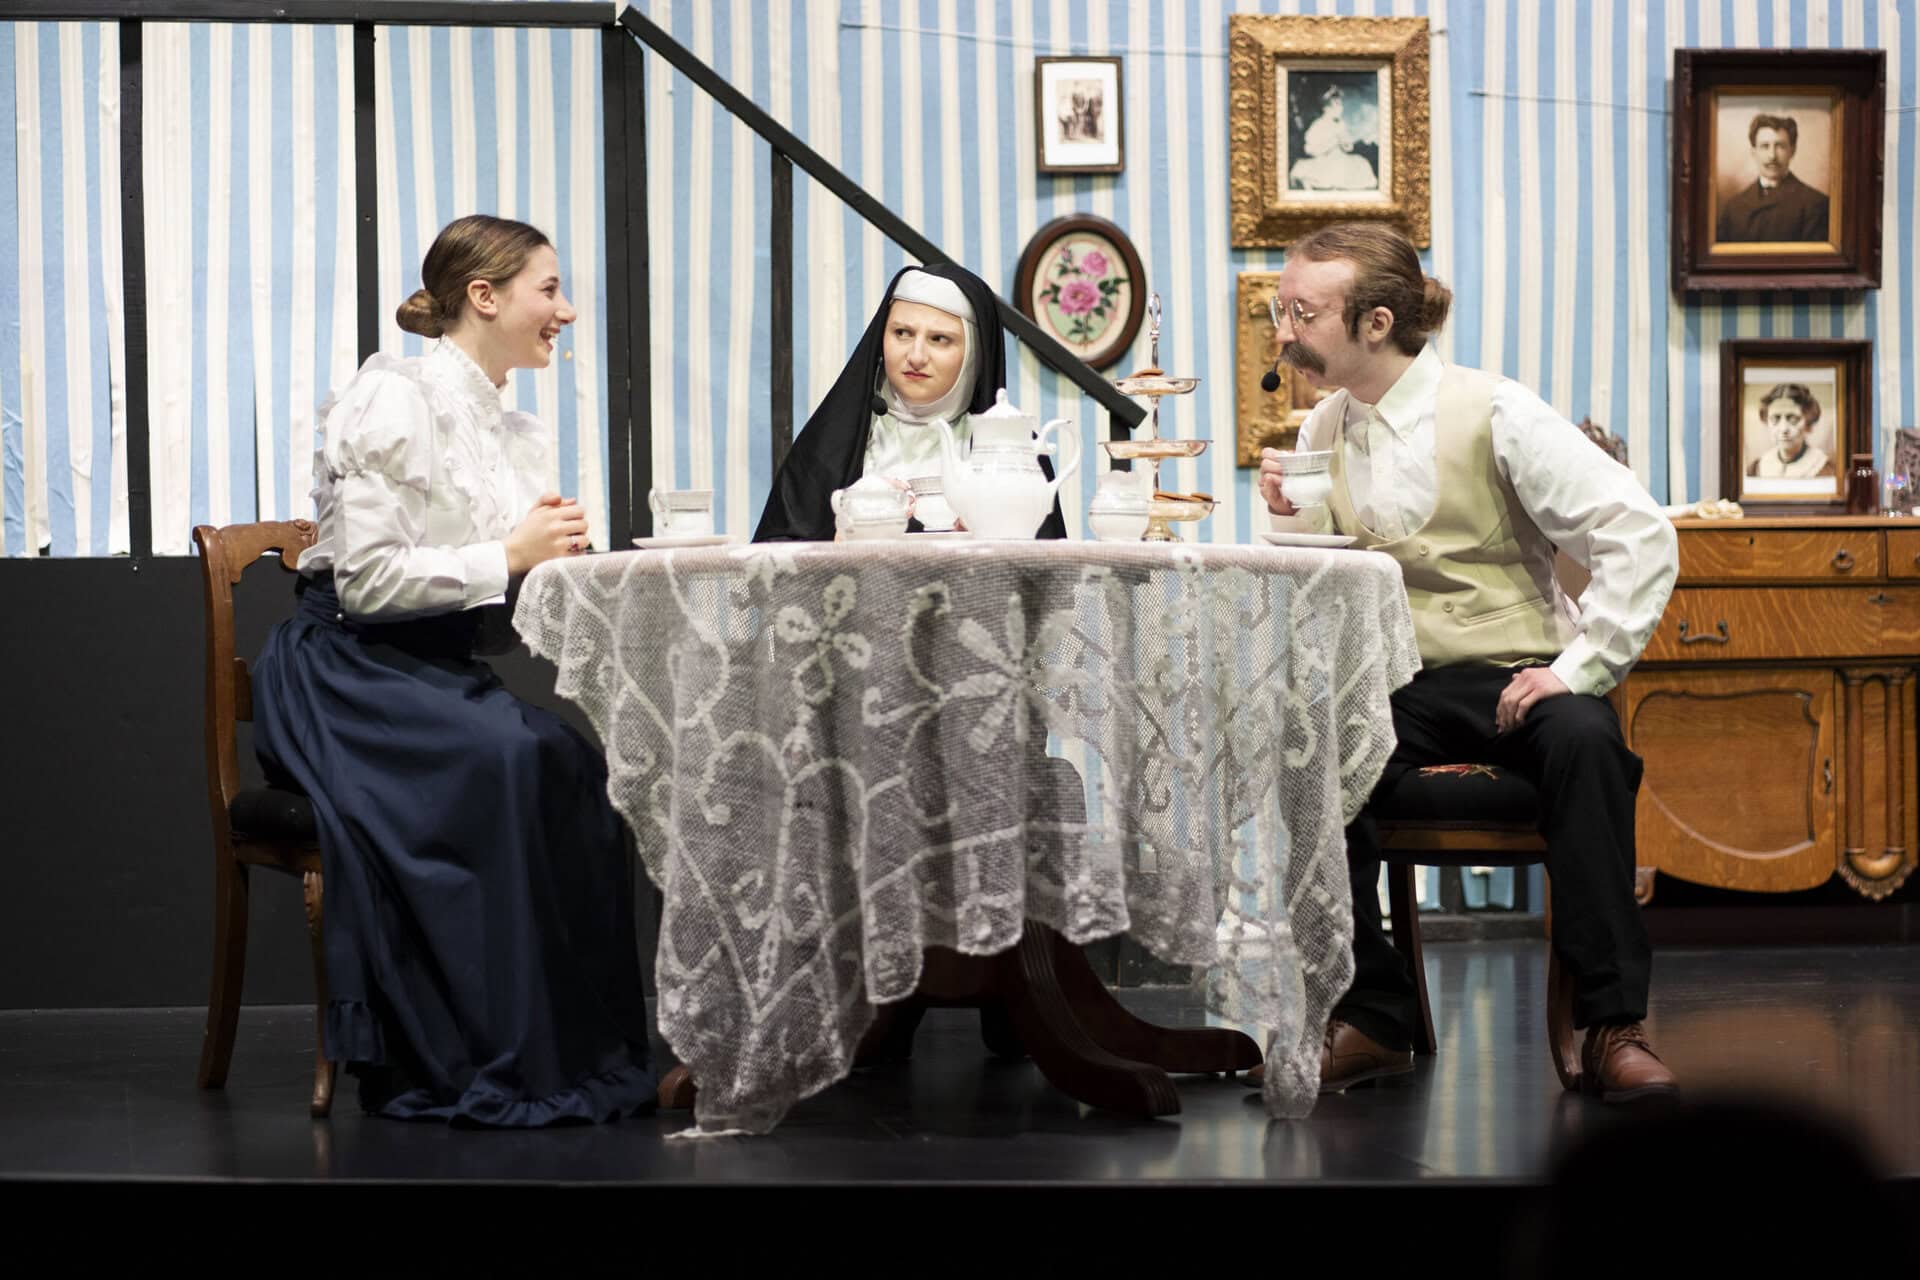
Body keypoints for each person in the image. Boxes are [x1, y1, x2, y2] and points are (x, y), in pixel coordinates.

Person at [1252, 222, 1681, 1103]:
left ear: (1376, 323)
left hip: (1512, 673)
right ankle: (1374, 1013)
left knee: (1586, 739)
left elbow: (1638, 531)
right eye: (1279, 308)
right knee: (1304, 739)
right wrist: (1291, 515)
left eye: (1301, 312)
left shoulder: (1495, 409)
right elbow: (1337, 564)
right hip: (1400, 685)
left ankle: (1611, 1027)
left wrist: (1579, 668)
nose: (1283, 332)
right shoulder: (1328, 420)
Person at [251, 214, 657, 1125]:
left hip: (427, 668)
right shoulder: (392, 400)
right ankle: (469, 1054)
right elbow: (365, 583)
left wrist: (556, 570)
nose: (567, 310)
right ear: (485, 296)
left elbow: (492, 598)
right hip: (348, 672)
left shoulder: (510, 429)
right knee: (507, 761)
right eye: (548, 290)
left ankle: (575, 1056)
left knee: (572, 762)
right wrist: (509, 555)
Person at [754, 261, 1066, 542]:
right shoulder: (828, 445)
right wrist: (839, 544)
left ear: (975, 356)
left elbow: (1049, 586)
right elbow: (768, 574)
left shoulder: (1014, 450)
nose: (915, 357)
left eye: (939, 339)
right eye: (902, 333)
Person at [1715, 112, 1830, 243]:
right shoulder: (1733, 207)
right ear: (1754, 152)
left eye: (1780, 146)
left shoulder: (1816, 204)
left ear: (1792, 151)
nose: (1772, 156)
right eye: (1765, 146)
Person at [1746, 383, 1833, 479]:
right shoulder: (1756, 468)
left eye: (1793, 419)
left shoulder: (1824, 469)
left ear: (1808, 424)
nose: (1783, 429)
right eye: (1775, 419)